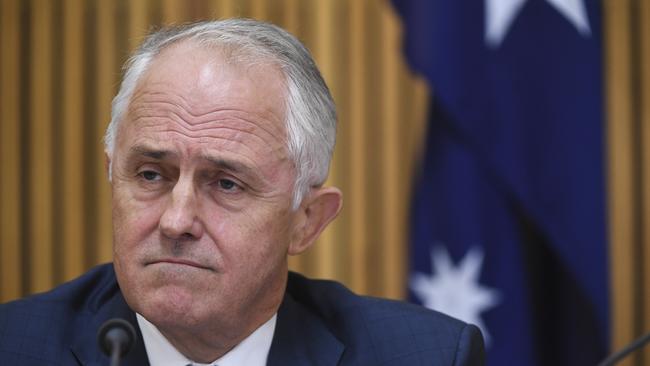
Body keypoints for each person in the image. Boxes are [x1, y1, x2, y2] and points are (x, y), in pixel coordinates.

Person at [0, 19, 484, 365]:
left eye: (226, 184)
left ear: (307, 220)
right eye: (151, 175)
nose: (175, 221)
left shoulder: (425, 356)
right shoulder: (14, 347)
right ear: (112, 175)